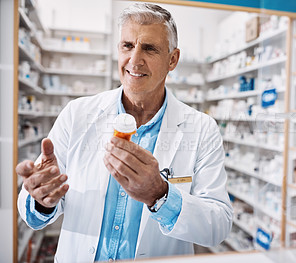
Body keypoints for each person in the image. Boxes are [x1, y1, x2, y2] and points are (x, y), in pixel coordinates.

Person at [17, 3, 233, 262]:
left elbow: (218, 225)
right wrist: (42, 199)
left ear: (172, 59)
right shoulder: (77, 114)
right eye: (127, 46)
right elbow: (35, 209)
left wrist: (160, 194)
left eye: (149, 48)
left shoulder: (201, 129)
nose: (134, 60)